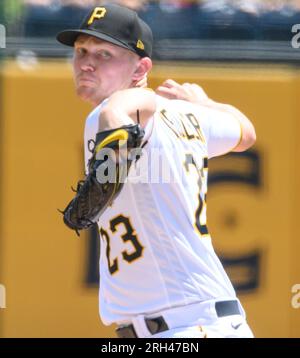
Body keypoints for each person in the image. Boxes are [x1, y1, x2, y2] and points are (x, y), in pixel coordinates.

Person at [57, 3, 256, 338]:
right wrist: (204, 104)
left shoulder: (115, 112)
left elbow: (132, 105)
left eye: (105, 54)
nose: (87, 63)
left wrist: (114, 115)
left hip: (186, 327)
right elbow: (245, 133)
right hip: (200, 322)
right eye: (81, 51)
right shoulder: (186, 115)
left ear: (141, 68)